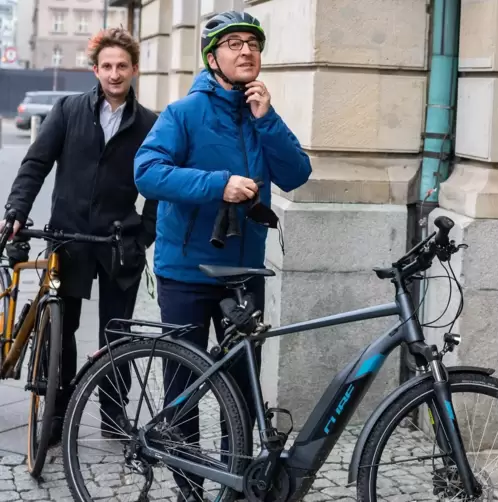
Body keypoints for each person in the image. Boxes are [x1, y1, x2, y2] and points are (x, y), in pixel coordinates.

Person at [134, 10, 311, 500]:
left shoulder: (261, 114)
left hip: (242, 273)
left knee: (243, 388)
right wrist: (219, 185)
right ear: (213, 57)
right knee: (184, 387)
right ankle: (189, 487)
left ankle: (236, 485)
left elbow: (296, 174)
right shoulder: (183, 113)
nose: (246, 51)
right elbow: (147, 172)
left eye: (252, 43)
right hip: (187, 272)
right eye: (233, 44)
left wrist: (267, 120)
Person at [2, 27, 158, 444]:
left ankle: (112, 413)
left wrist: (146, 230)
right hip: (68, 237)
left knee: (116, 332)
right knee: (62, 327)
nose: (114, 73)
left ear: (134, 69)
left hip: (118, 243)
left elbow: (159, 183)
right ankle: (57, 412)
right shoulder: (68, 110)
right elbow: (36, 164)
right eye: (106, 66)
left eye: (121, 66)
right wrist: (16, 209)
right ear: (95, 70)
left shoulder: (149, 123)